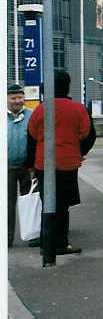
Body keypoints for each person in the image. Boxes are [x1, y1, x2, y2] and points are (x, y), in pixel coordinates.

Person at [26, 70, 94, 255]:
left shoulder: (40, 109)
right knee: (62, 206)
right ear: (68, 86)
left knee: (47, 203)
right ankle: (61, 244)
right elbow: (88, 134)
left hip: (43, 164)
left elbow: (31, 138)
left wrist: (31, 165)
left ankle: (46, 241)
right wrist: (79, 152)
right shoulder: (78, 109)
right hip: (68, 163)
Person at [8, 84, 33, 246]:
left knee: (29, 203)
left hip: (27, 167)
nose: (18, 101)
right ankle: (7, 237)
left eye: (20, 97)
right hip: (7, 168)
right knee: (7, 204)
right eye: (13, 98)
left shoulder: (32, 115)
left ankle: (31, 235)